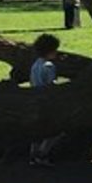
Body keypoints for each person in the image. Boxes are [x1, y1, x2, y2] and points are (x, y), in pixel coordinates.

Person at [28, 33, 61, 166]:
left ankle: (33, 156)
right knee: (53, 131)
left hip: (35, 98)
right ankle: (43, 154)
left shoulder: (35, 65)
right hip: (46, 100)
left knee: (38, 131)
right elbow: (50, 85)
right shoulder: (49, 66)